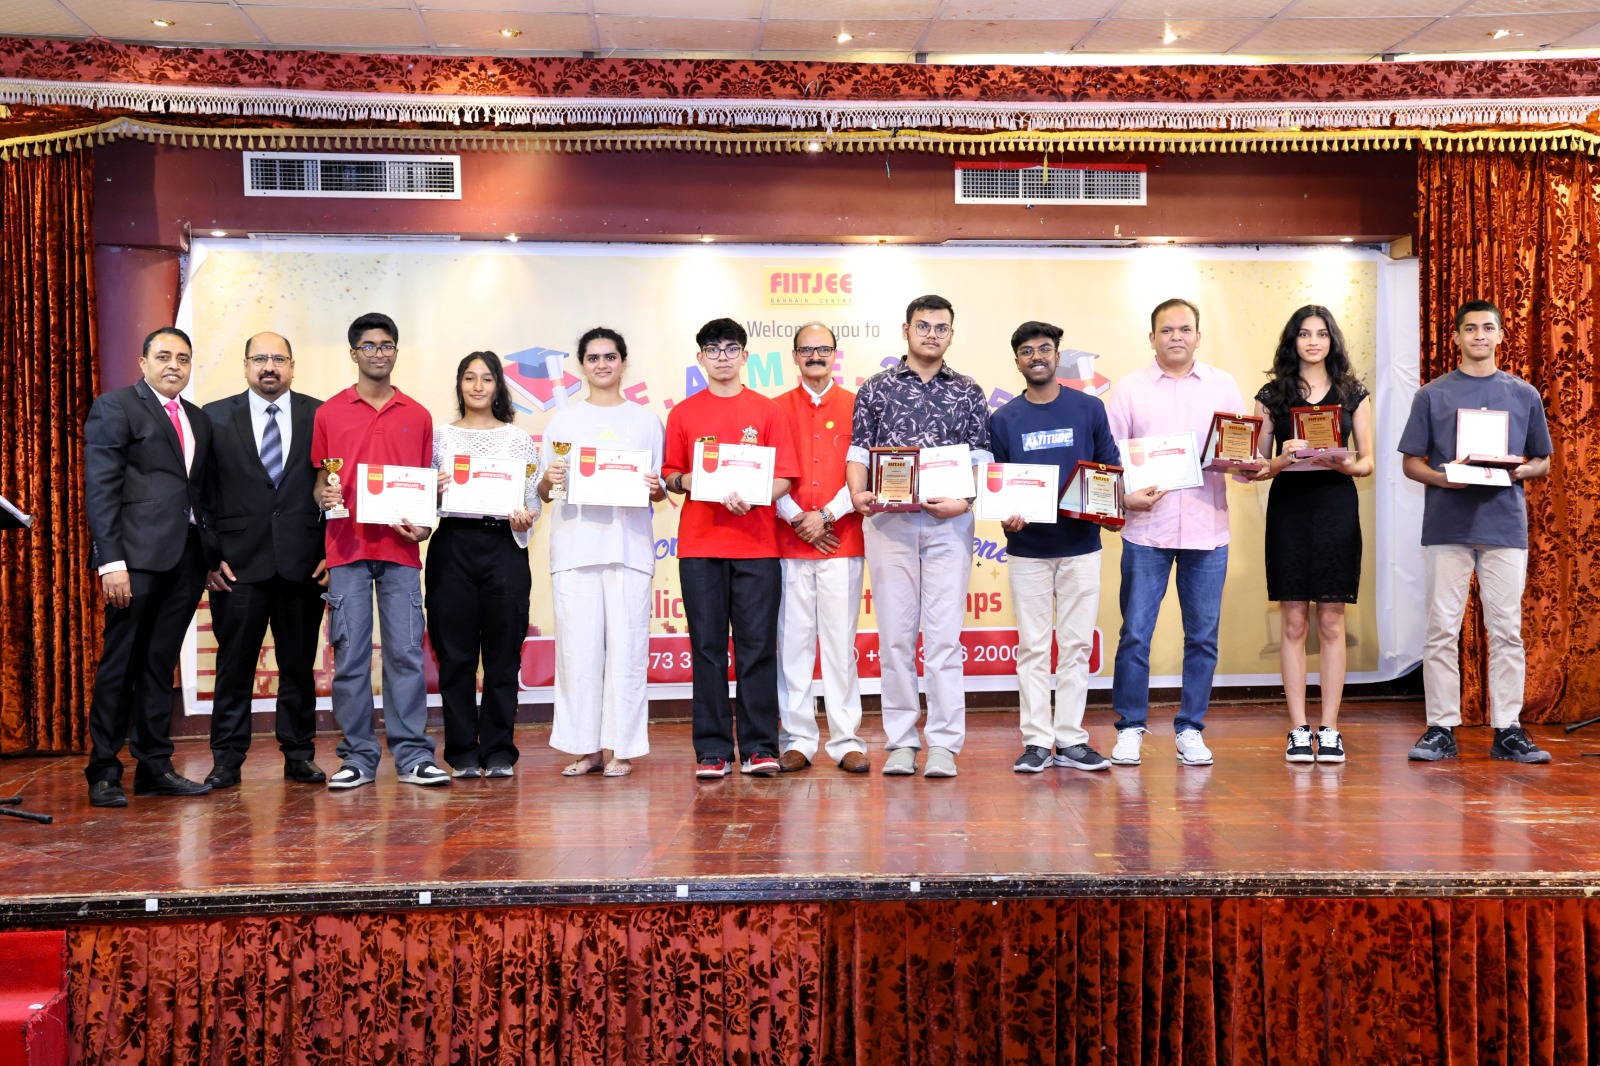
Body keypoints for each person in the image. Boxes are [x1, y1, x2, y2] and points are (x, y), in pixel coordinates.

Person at [1399, 299, 1553, 764]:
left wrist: (1520, 469)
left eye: (1488, 328)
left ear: (1501, 335)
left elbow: (1543, 460)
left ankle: (1508, 729)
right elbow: (1411, 463)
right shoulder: (1432, 395)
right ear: (1456, 338)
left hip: (1504, 525)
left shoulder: (1524, 394)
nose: (1479, 336)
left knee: (1506, 631)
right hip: (1447, 524)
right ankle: (1440, 728)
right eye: (1470, 329)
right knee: (1441, 629)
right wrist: (1444, 478)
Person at [847, 294, 991, 778]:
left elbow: (981, 459)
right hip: (890, 524)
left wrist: (966, 501)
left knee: (944, 638)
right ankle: (902, 741)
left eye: (941, 327)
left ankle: (945, 744)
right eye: (923, 325)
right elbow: (858, 453)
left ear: (951, 333)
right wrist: (859, 494)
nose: (932, 334)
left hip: (950, 523)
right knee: (895, 638)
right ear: (906, 330)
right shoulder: (876, 388)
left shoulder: (968, 391)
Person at [1104, 298, 1246, 768]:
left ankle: (1191, 728)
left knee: (1202, 637)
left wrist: (1246, 465)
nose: (1176, 337)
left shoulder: (1223, 385)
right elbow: (1109, 460)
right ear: (1152, 338)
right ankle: (1129, 727)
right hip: (1147, 530)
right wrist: (1124, 495)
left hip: (1208, 529)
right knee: (1135, 635)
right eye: (1166, 330)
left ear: (1198, 336)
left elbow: (1239, 453)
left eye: (1185, 329)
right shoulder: (1129, 389)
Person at [661, 318, 799, 779]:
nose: (722, 357)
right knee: (707, 648)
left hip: (757, 544)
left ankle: (760, 747)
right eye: (713, 349)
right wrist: (695, 480)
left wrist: (756, 497)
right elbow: (670, 475)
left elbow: (785, 477)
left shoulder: (767, 411)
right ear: (700, 358)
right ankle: (712, 750)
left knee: (757, 647)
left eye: (731, 348)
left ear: (745, 356)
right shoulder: (684, 413)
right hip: (700, 545)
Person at [83, 326, 215, 807]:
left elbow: (201, 494)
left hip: (187, 559)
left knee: (160, 665)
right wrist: (111, 562)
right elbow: (101, 489)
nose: (173, 365)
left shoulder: (198, 419)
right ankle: (103, 770)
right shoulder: (116, 407)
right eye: (163, 356)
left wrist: (211, 555)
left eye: (182, 357)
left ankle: (155, 767)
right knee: (120, 665)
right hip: (133, 561)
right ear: (143, 363)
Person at [312, 312, 443, 789]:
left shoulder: (418, 414)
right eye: (368, 346)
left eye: (386, 345)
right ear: (353, 353)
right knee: (349, 657)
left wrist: (423, 526)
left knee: (406, 654)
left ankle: (413, 756)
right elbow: (320, 481)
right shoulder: (329, 412)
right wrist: (323, 495)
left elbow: (424, 487)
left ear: (396, 352)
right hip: (346, 548)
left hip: (401, 551)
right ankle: (358, 757)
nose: (378, 353)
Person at [989, 320, 1120, 774]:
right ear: (1017, 361)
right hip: (1028, 550)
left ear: (1057, 356)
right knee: (1033, 648)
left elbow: (1109, 467)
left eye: (1044, 348)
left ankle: (1070, 739)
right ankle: (1036, 740)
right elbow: (998, 484)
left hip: (1081, 546)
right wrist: (1005, 514)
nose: (1037, 357)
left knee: (1077, 646)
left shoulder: (1088, 408)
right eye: (1027, 351)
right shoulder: (1003, 419)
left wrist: (1109, 508)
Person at [200, 331, 328, 788]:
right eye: (259, 359)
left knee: (298, 666)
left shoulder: (320, 414)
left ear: (292, 366)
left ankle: (299, 753)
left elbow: (338, 487)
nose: (269, 367)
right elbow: (201, 493)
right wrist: (209, 558)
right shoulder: (213, 416)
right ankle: (227, 759)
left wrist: (332, 551)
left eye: (278, 358)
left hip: (303, 562)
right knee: (234, 667)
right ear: (245, 365)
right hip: (236, 566)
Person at [538, 328, 664, 778]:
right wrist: (550, 479)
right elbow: (545, 492)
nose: (602, 365)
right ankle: (584, 748)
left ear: (623, 362)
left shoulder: (646, 421)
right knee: (578, 654)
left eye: (610, 357)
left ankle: (621, 749)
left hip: (629, 548)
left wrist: (655, 486)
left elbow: (658, 488)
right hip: (575, 549)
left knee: (628, 652)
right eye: (593, 358)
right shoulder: (563, 422)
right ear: (582, 366)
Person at [1250, 306, 1374, 765]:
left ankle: (1331, 728)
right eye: (1304, 334)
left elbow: (1368, 461)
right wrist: (1282, 459)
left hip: (1336, 507)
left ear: (1332, 341)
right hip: (1290, 510)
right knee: (1294, 621)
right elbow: (1256, 467)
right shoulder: (1271, 395)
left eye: (1321, 334)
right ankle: (1299, 729)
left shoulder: (1352, 392)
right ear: (1293, 341)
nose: (1313, 341)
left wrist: (1346, 463)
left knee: (1332, 621)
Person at [428, 351, 539, 779]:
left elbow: (530, 500)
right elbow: (421, 502)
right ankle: (461, 752)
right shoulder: (439, 438)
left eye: (487, 378)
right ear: (459, 384)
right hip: (452, 546)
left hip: (503, 547)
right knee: (454, 656)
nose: (478, 386)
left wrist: (525, 518)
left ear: (498, 386)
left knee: (502, 655)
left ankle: (498, 751)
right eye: (470, 378)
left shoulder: (518, 440)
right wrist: (434, 491)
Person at [773, 322, 869, 774]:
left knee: (838, 645)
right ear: (795, 356)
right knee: (792, 646)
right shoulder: (774, 409)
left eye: (823, 349)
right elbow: (766, 473)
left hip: (842, 541)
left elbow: (865, 471)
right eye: (806, 350)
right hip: (787, 543)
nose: (815, 356)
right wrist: (798, 517)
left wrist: (825, 515)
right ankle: (797, 739)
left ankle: (847, 740)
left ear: (835, 354)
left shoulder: (858, 405)